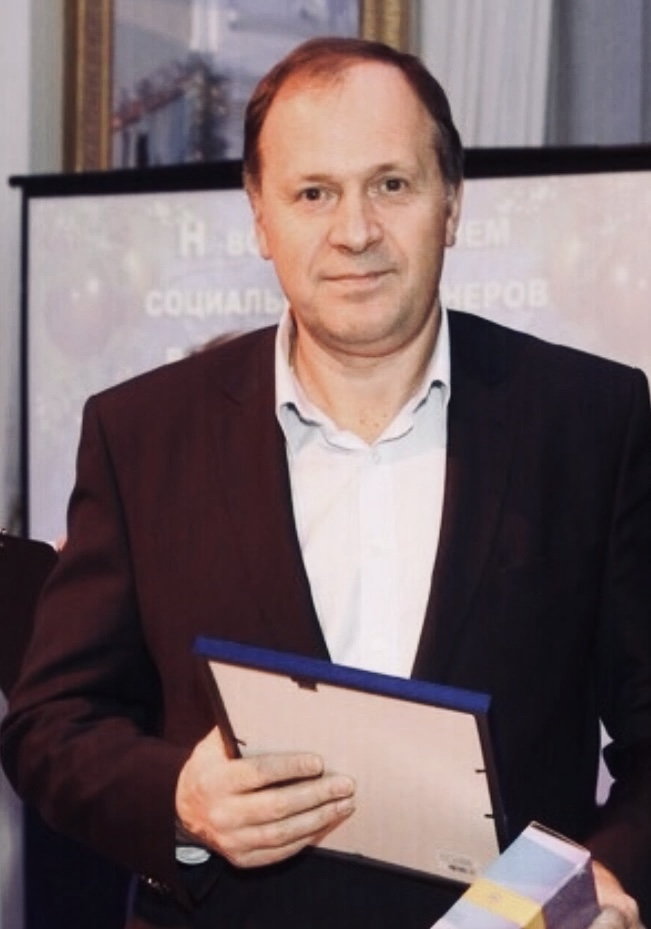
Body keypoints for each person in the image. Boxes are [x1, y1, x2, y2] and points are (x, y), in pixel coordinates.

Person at [2, 36, 651, 929]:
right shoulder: (141, 433)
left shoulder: (590, 420)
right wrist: (180, 802)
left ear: (451, 203)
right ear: (259, 217)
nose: (354, 231)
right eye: (313, 193)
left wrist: (605, 878)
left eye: (391, 184)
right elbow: (50, 724)